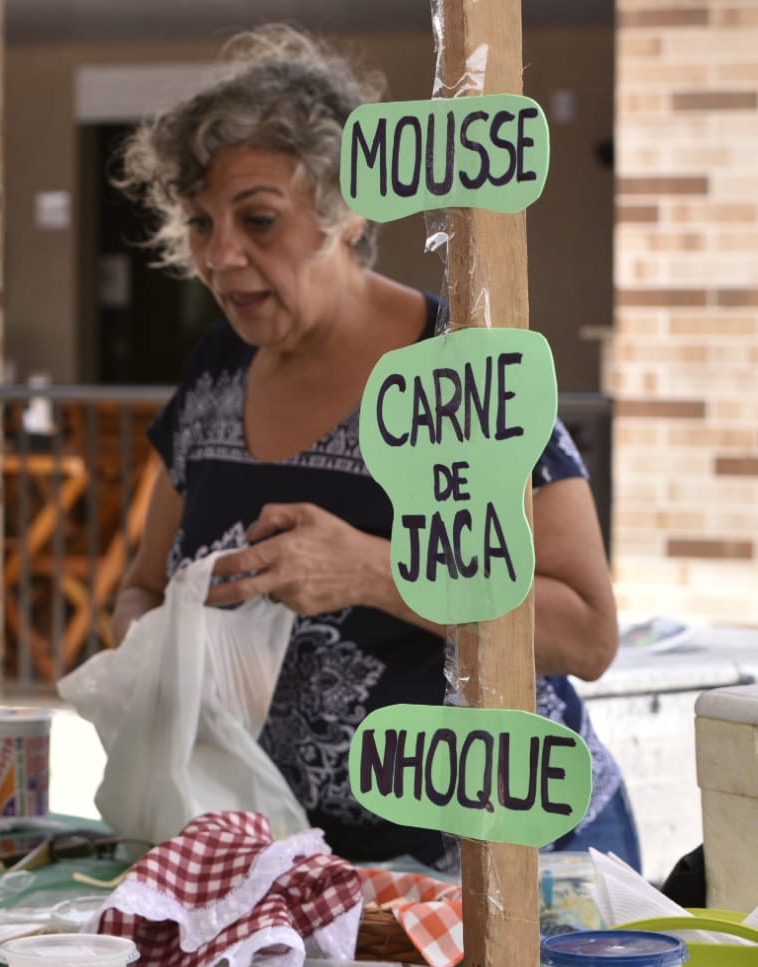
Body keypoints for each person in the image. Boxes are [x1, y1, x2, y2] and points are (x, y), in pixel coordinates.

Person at [109, 25, 637, 873]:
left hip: (500, 860)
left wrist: (370, 572)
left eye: (258, 220)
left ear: (349, 210)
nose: (219, 255)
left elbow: (586, 631)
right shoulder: (214, 371)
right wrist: (156, 654)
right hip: (295, 864)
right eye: (201, 223)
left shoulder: (457, 365)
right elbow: (138, 588)